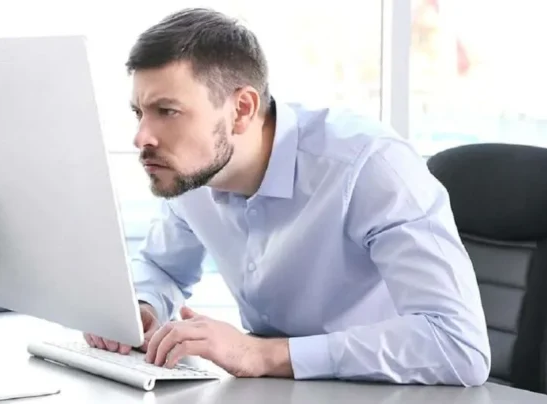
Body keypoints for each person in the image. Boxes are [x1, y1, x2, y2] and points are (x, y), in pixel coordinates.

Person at [85, 7, 491, 386]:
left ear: (241, 109)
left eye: (167, 111)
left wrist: (264, 355)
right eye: (139, 113)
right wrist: (143, 308)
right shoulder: (193, 175)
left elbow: (458, 344)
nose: (142, 138)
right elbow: (164, 268)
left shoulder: (369, 167)